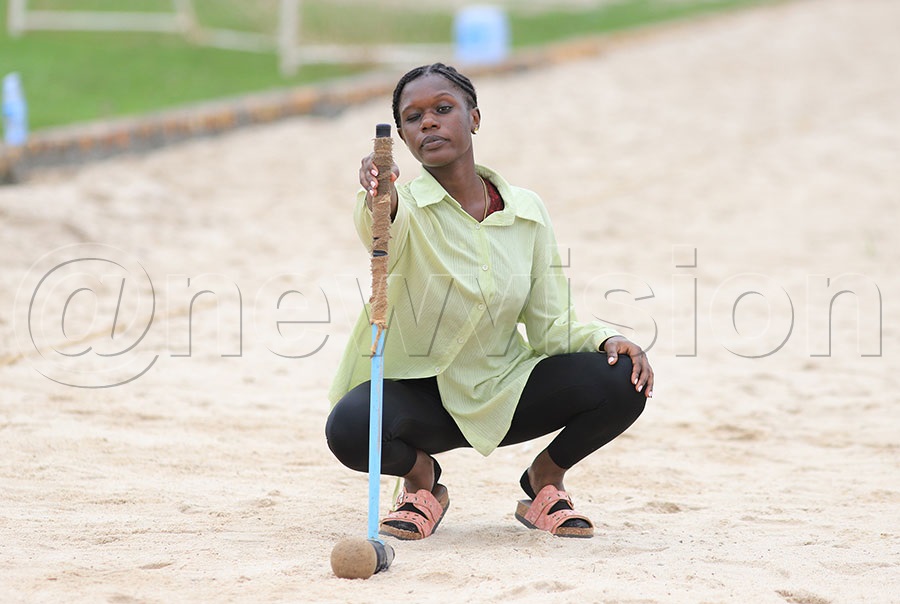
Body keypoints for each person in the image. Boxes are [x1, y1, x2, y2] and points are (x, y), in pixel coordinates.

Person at [326, 63, 653, 540]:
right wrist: (380, 189)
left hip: (503, 388)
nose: (429, 123)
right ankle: (421, 482)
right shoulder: (405, 206)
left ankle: (545, 478)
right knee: (349, 429)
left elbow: (551, 325)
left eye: (443, 109)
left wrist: (610, 337)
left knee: (625, 378)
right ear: (403, 137)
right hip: (419, 396)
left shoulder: (526, 211)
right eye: (413, 118)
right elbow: (380, 224)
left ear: (474, 118)